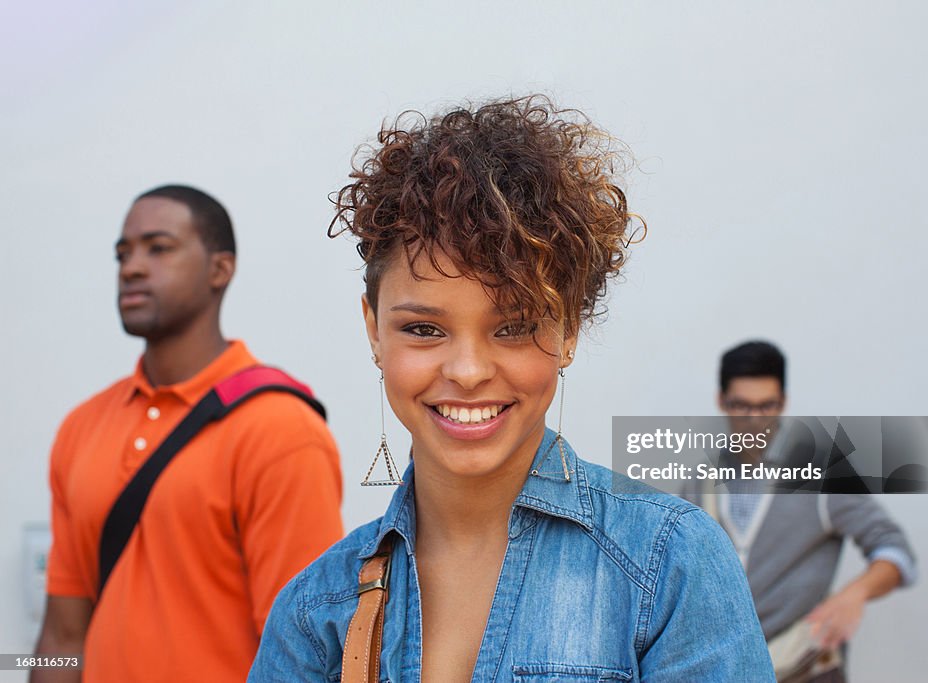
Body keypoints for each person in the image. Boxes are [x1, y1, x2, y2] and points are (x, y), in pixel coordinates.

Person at [248, 96, 773, 682]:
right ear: (373, 329)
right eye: (424, 329)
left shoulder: (669, 563)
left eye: (514, 327)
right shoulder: (315, 612)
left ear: (569, 329)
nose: (468, 371)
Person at [32, 185, 345, 683]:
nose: (131, 267)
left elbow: (304, 653)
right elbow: (63, 638)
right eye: (123, 253)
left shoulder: (280, 429)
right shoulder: (82, 426)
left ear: (220, 270)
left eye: (159, 248)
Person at [686, 340, 916, 681]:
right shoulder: (700, 483)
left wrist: (854, 595)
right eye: (741, 406)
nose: (754, 420)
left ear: (783, 402)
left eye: (766, 407)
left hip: (805, 668)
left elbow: (896, 551)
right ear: (721, 401)